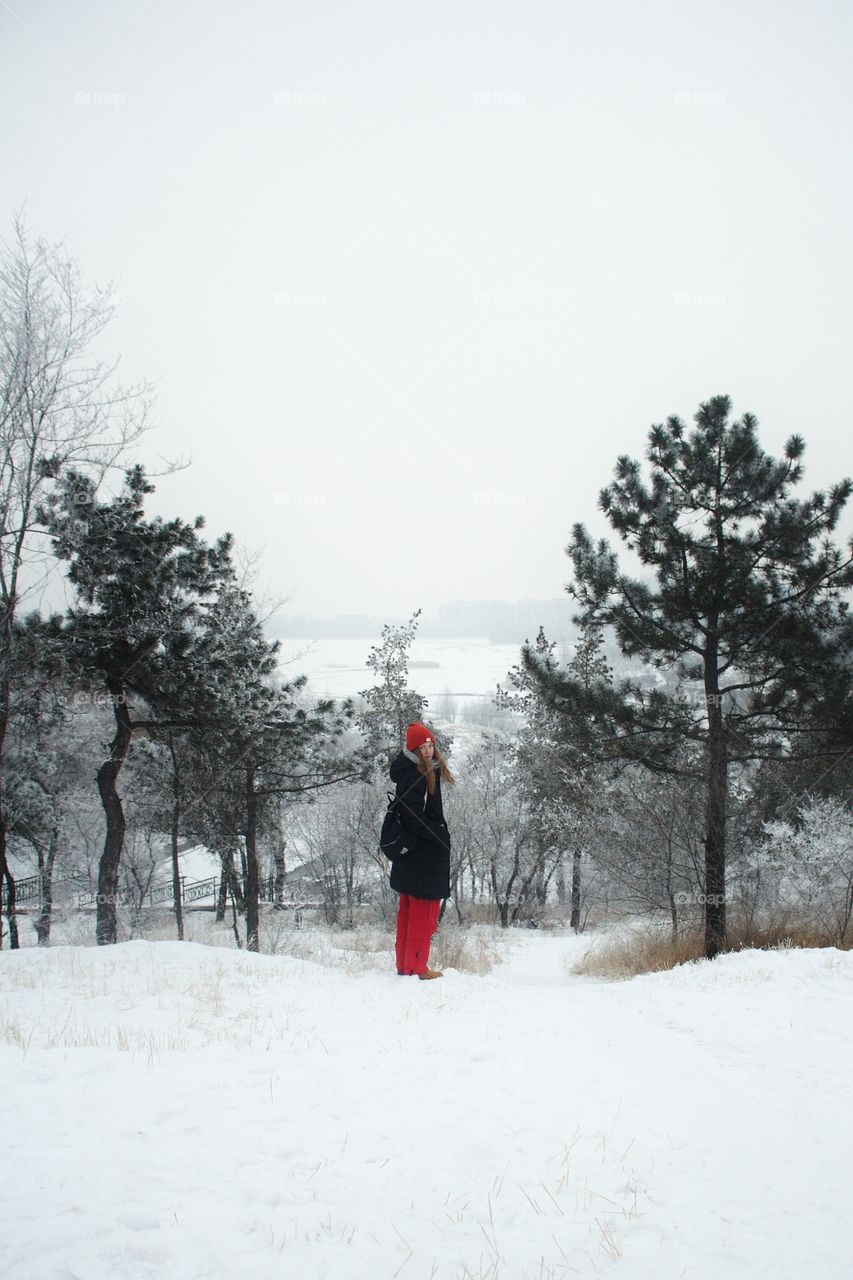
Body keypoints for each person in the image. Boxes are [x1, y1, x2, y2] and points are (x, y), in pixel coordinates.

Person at [389, 721, 454, 979]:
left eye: (430, 745)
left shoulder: (410, 772)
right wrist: (439, 837)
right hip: (424, 854)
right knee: (423, 911)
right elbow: (413, 817)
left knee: (408, 910)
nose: (428, 751)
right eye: (422, 747)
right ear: (413, 750)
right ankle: (417, 967)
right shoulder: (418, 775)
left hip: (409, 854)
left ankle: (405, 966)